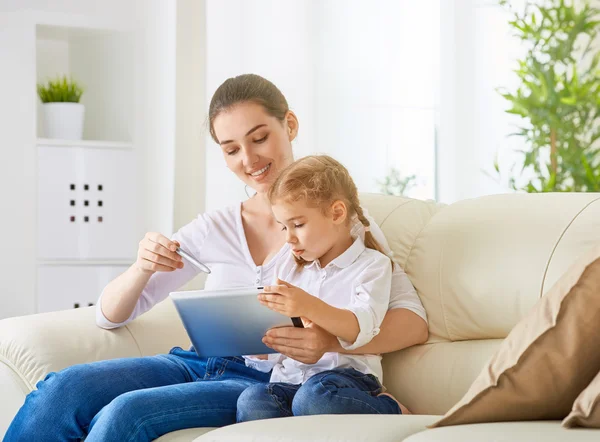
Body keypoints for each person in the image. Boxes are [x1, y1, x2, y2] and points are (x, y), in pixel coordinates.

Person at [4, 74, 427, 442]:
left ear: (290, 125)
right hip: (195, 362)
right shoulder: (214, 227)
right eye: (230, 149)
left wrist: (326, 341)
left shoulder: (336, 222)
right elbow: (109, 317)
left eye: (260, 137)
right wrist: (142, 266)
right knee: (62, 390)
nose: (250, 160)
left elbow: (413, 323)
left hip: (264, 381)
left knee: (125, 413)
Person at [237, 155, 410, 422]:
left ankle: (391, 409)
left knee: (314, 398)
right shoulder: (290, 269)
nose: (289, 238)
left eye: (298, 225)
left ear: (337, 213)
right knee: (253, 399)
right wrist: (263, 342)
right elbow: (275, 349)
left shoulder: (372, 265)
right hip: (292, 380)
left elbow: (360, 328)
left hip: (345, 379)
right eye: (284, 227)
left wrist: (307, 305)